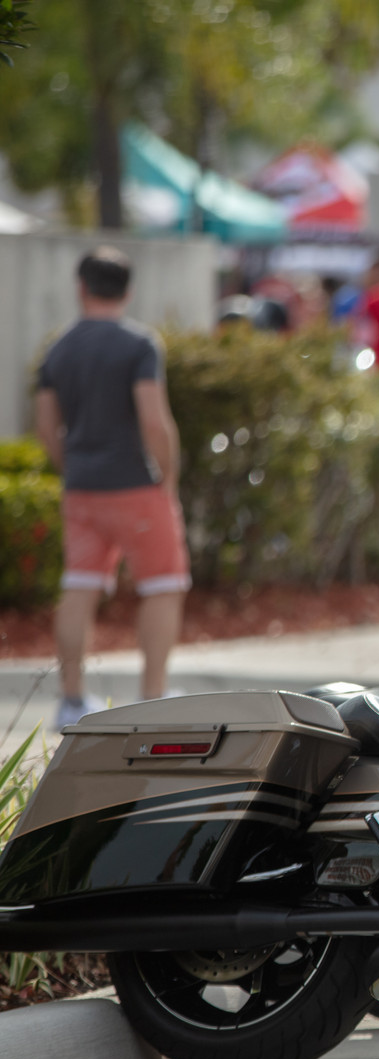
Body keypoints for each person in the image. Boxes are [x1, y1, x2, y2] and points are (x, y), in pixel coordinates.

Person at [33, 246, 190, 728]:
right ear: (129, 289)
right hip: (135, 485)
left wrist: (72, 467)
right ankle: (153, 695)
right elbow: (154, 421)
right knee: (163, 587)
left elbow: (44, 426)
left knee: (79, 586)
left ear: (81, 287)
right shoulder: (139, 344)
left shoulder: (57, 348)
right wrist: (168, 479)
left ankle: (71, 698)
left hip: (81, 487)